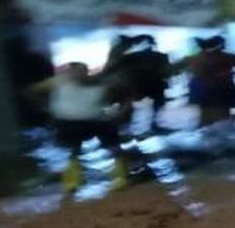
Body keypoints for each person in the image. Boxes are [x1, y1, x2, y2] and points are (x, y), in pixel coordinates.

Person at [31, 62, 127, 193]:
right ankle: (72, 182)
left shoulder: (99, 82)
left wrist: (115, 112)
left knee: (113, 148)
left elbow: (120, 95)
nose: (77, 74)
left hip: (97, 119)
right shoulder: (59, 82)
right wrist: (46, 108)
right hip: (69, 121)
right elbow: (34, 91)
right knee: (71, 152)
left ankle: (120, 178)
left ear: (86, 71)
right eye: (74, 71)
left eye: (81, 71)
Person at [111, 35, 171, 133]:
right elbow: (165, 71)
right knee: (155, 104)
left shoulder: (131, 57)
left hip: (140, 83)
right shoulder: (160, 56)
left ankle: (124, 127)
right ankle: (150, 124)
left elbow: (121, 70)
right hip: (151, 83)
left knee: (128, 105)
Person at [182, 36, 235, 127]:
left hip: (205, 89)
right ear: (219, 45)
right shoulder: (226, 57)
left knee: (206, 112)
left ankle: (207, 127)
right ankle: (219, 129)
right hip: (222, 88)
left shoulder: (196, 57)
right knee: (223, 112)